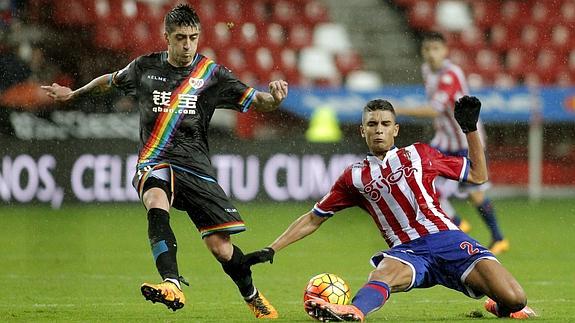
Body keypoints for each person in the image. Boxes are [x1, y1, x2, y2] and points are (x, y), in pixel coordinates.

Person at [41, 4, 287, 319]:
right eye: (181, 37)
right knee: (156, 199)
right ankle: (171, 282)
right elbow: (110, 81)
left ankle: (252, 297)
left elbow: (258, 101)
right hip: (155, 160)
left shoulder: (211, 74)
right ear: (166, 38)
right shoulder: (144, 68)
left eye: (193, 37)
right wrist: (73, 94)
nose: (187, 45)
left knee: (220, 247)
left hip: (195, 166)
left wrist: (275, 99)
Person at [245, 97, 536, 321]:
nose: (379, 130)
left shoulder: (420, 154)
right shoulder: (353, 176)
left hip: (448, 239)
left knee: (516, 299)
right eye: (372, 124)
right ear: (362, 131)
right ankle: (354, 313)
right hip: (407, 251)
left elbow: (477, 176)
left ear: (396, 129)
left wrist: (470, 130)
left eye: (385, 124)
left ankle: (497, 305)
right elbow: (313, 218)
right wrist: (272, 248)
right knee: (382, 274)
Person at [396, 31, 508, 255]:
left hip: (464, 139)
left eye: (436, 49)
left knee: (474, 193)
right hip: (444, 138)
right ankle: (456, 221)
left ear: (445, 51)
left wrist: (398, 109)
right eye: (427, 49)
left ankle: (498, 237)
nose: (431, 54)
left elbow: (433, 109)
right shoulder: (427, 70)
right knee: (415, 175)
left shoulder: (451, 75)